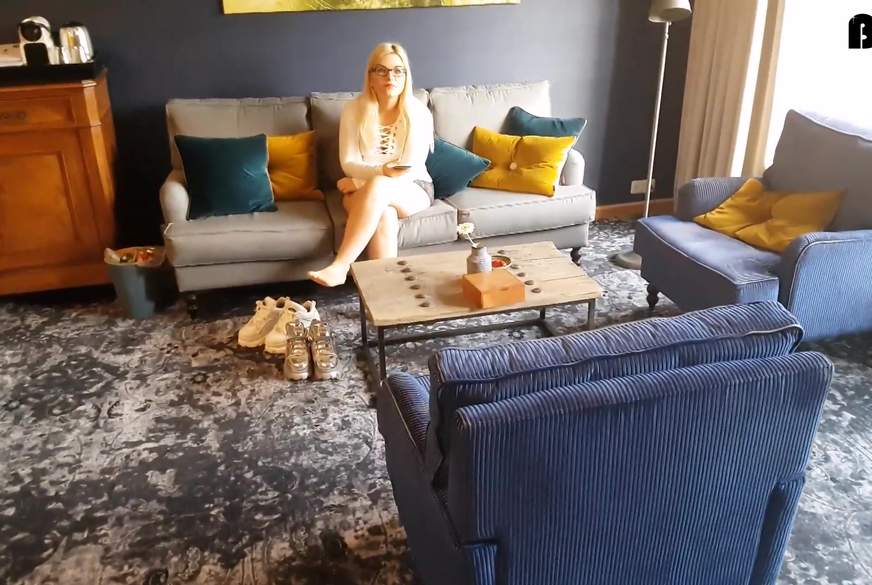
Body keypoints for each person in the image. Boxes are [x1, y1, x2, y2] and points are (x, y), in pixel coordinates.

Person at [308, 42, 434, 287]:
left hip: (413, 188)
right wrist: (379, 173)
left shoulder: (418, 113)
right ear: (370, 76)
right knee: (384, 213)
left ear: (406, 76)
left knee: (379, 186)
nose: (390, 77)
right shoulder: (353, 110)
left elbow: (407, 168)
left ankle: (341, 266)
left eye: (398, 71)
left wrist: (359, 181)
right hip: (365, 192)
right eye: (382, 70)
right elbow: (348, 162)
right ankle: (386, 295)